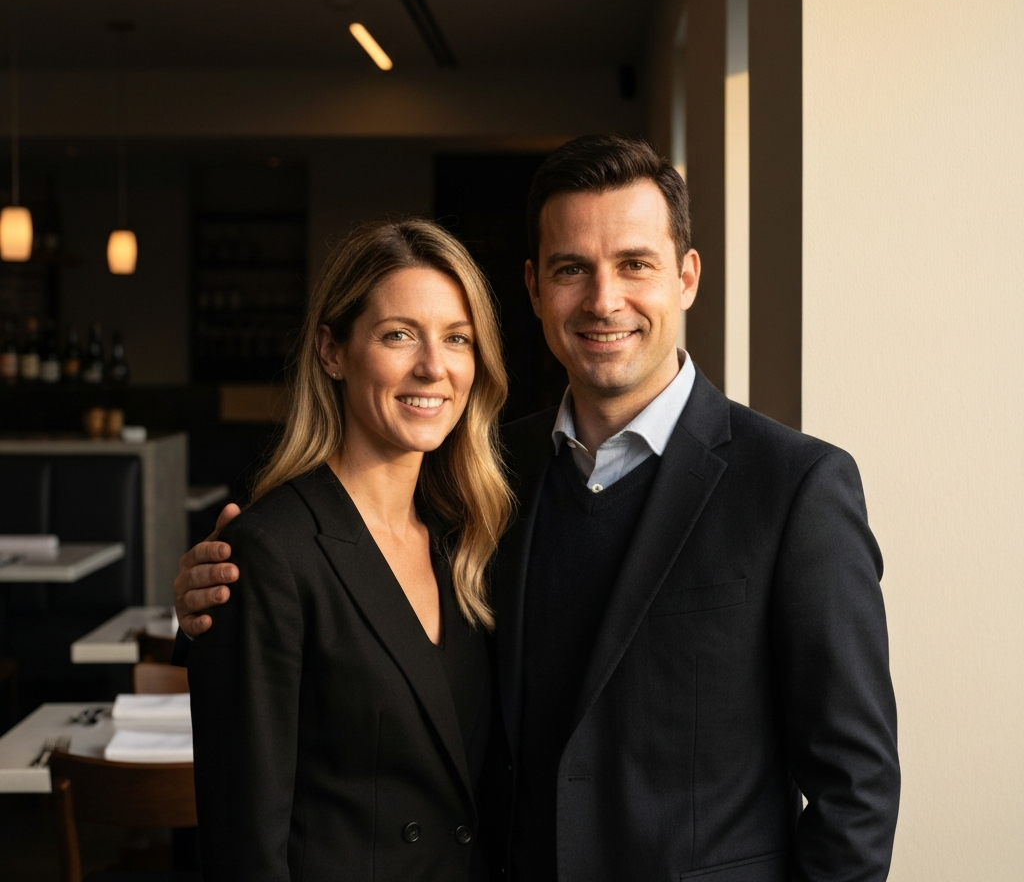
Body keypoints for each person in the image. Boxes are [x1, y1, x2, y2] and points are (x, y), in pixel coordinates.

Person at [176, 136, 900, 882]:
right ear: (533, 288)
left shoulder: (794, 488)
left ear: (686, 277)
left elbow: (858, 789)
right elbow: (344, 591)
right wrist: (216, 604)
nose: (603, 300)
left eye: (635, 264)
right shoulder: (484, 478)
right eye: (571, 269)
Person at [185, 219, 513, 881]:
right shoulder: (268, 552)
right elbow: (245, 848)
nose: (434, 367)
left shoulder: (470, 538)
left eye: (457, 338)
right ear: (332, 351)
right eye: (399, 335)